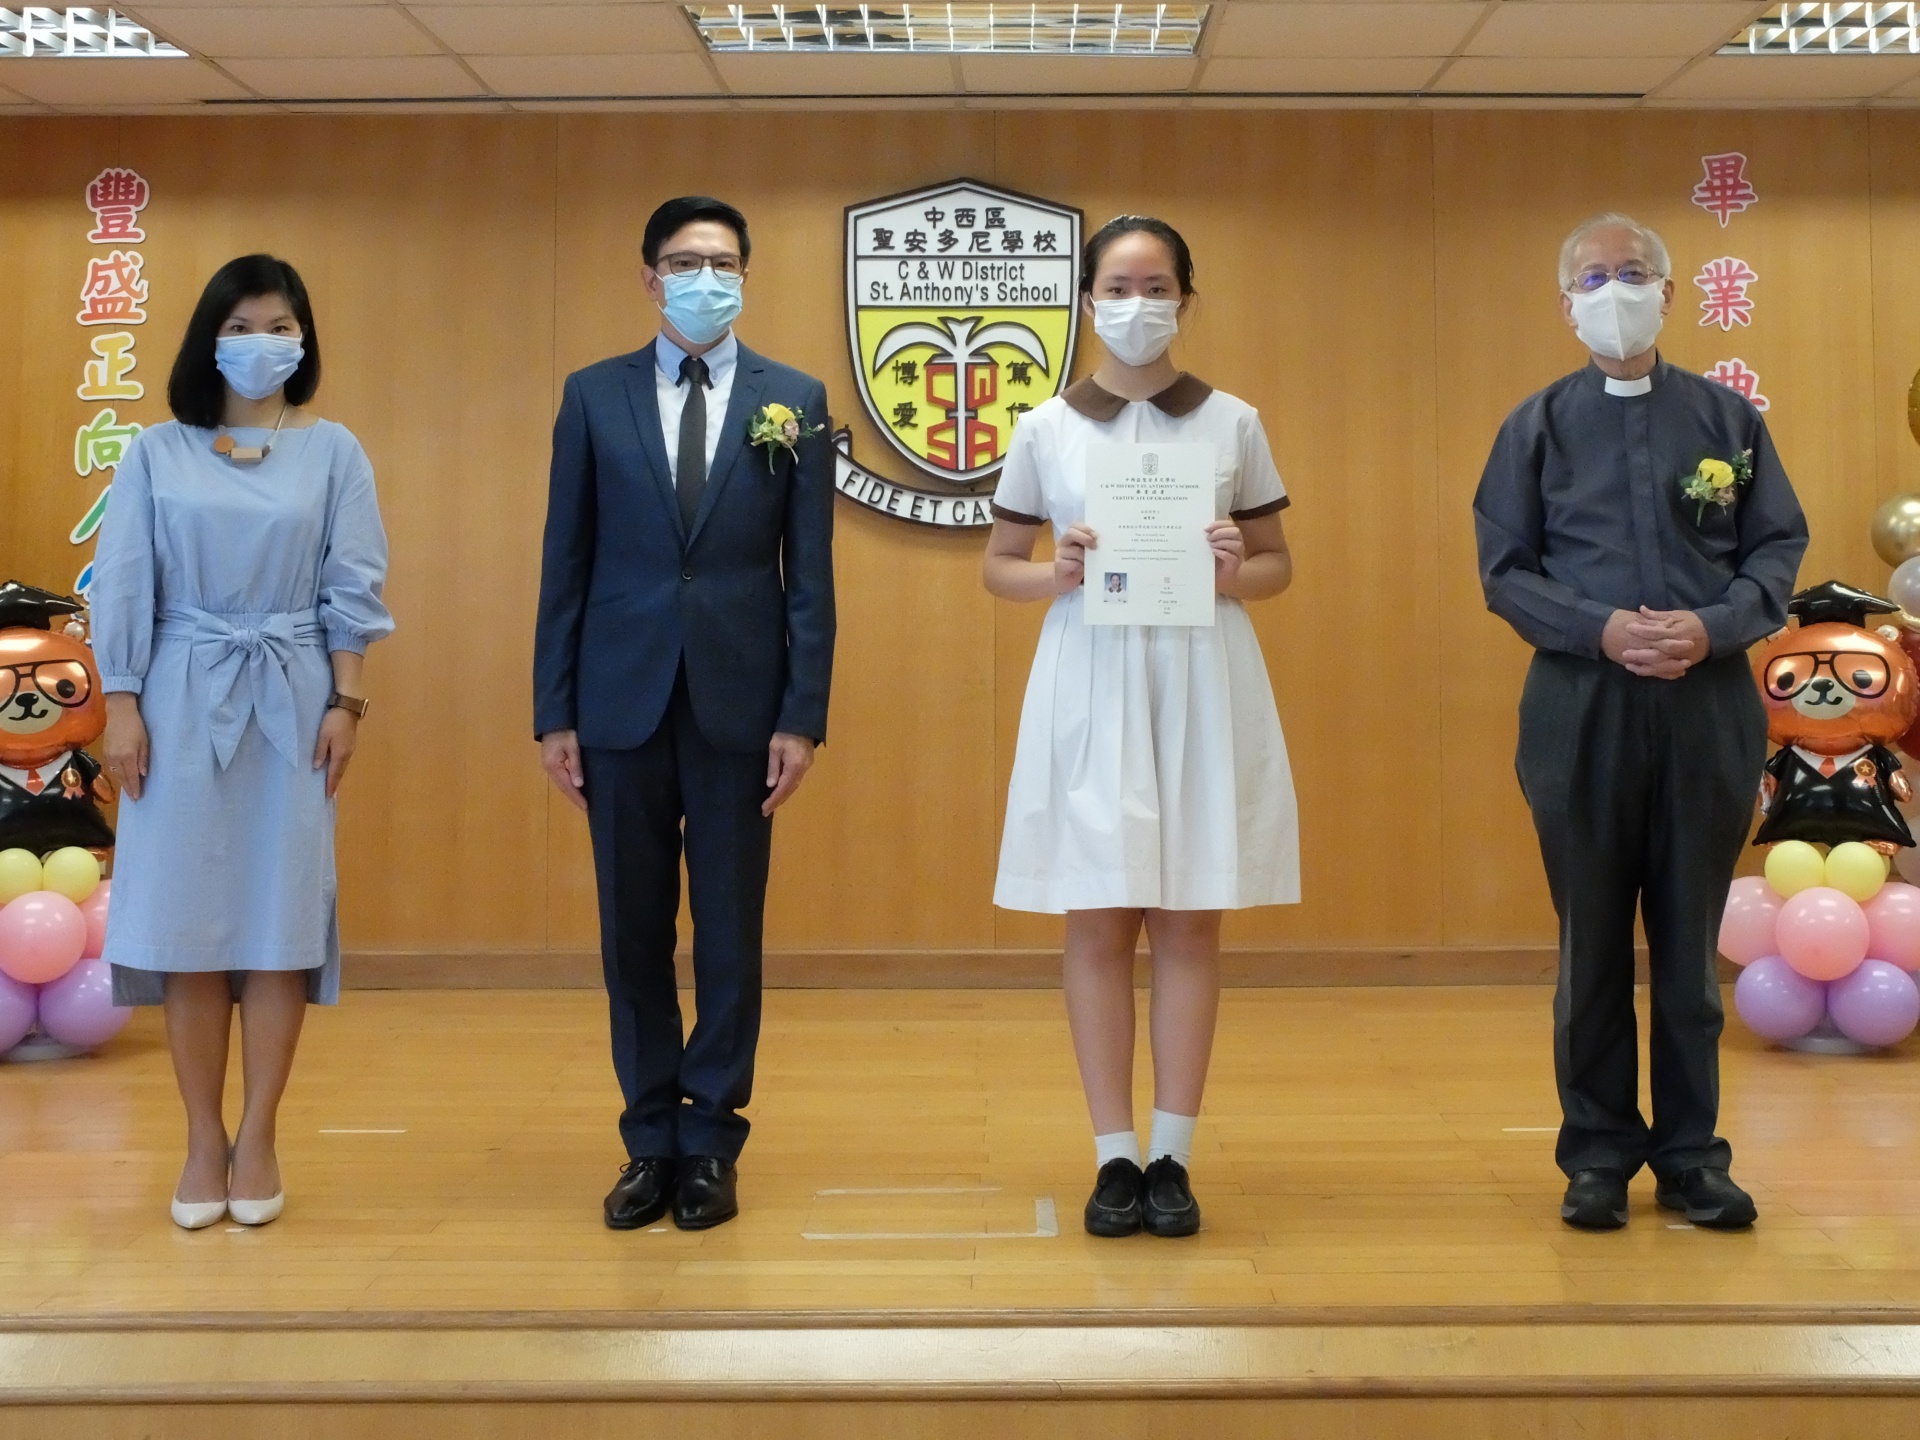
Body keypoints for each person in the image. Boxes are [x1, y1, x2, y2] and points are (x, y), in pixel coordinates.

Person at [1473, 213, 1807, 1232]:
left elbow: (1775, 548)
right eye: (1592, 277)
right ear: (1564, 302)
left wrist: (1713, 627)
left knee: (1690, 949)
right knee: (1591, 948)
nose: (1611, 291)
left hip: (1708, 706)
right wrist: (1601, 627)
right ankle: (1598, 1154)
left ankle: (1693, 1157)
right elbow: (1504, 570)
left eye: (1632, 273)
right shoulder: (1535, 426)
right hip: (1580, 705)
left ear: (1667, 293)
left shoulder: (1727, 419)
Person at [983, 215, 1297, 1239]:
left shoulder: (1233, 421)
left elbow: (1276, 565)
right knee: (1099, 917)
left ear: (1185, 300)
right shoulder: (1046, 427)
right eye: (1116, 288)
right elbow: (1000, 567)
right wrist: (1057, 573)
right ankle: (1113, 1157)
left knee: (1190, 918)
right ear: (1087, 302)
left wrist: (1232, 570)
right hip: (1092, 675)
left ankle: (1173, 1156)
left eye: (1155, 286)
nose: (1136, 305)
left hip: (1200, 672)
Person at [534, 196, 835, 1233]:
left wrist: (802, 715)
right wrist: (553, 711)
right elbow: (565, 561)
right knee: (632, 933)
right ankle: (649, 1137)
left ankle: (711, 1139)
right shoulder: (592, 395)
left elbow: (809, 579)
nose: (704, 277)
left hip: (741, 706)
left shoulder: (793, 398)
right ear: (649, 277)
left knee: (729, 932)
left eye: (722, 262)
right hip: (616, 701)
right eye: (683, 261)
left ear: (745, 275)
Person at [91, 254, 393, 1231]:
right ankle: (200, 1139)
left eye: (280, 327)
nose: (262, 344)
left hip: (293, 698)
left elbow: (353, 581)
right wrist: (121, 704)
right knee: (190, 929)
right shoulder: (155, 450)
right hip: (177, 693)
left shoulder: (334, 450)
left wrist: (348, 702)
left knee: (275, 923)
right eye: (242, 326)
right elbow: (124, 578)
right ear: (208, 338)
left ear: (304, 340)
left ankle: (258, 1135)